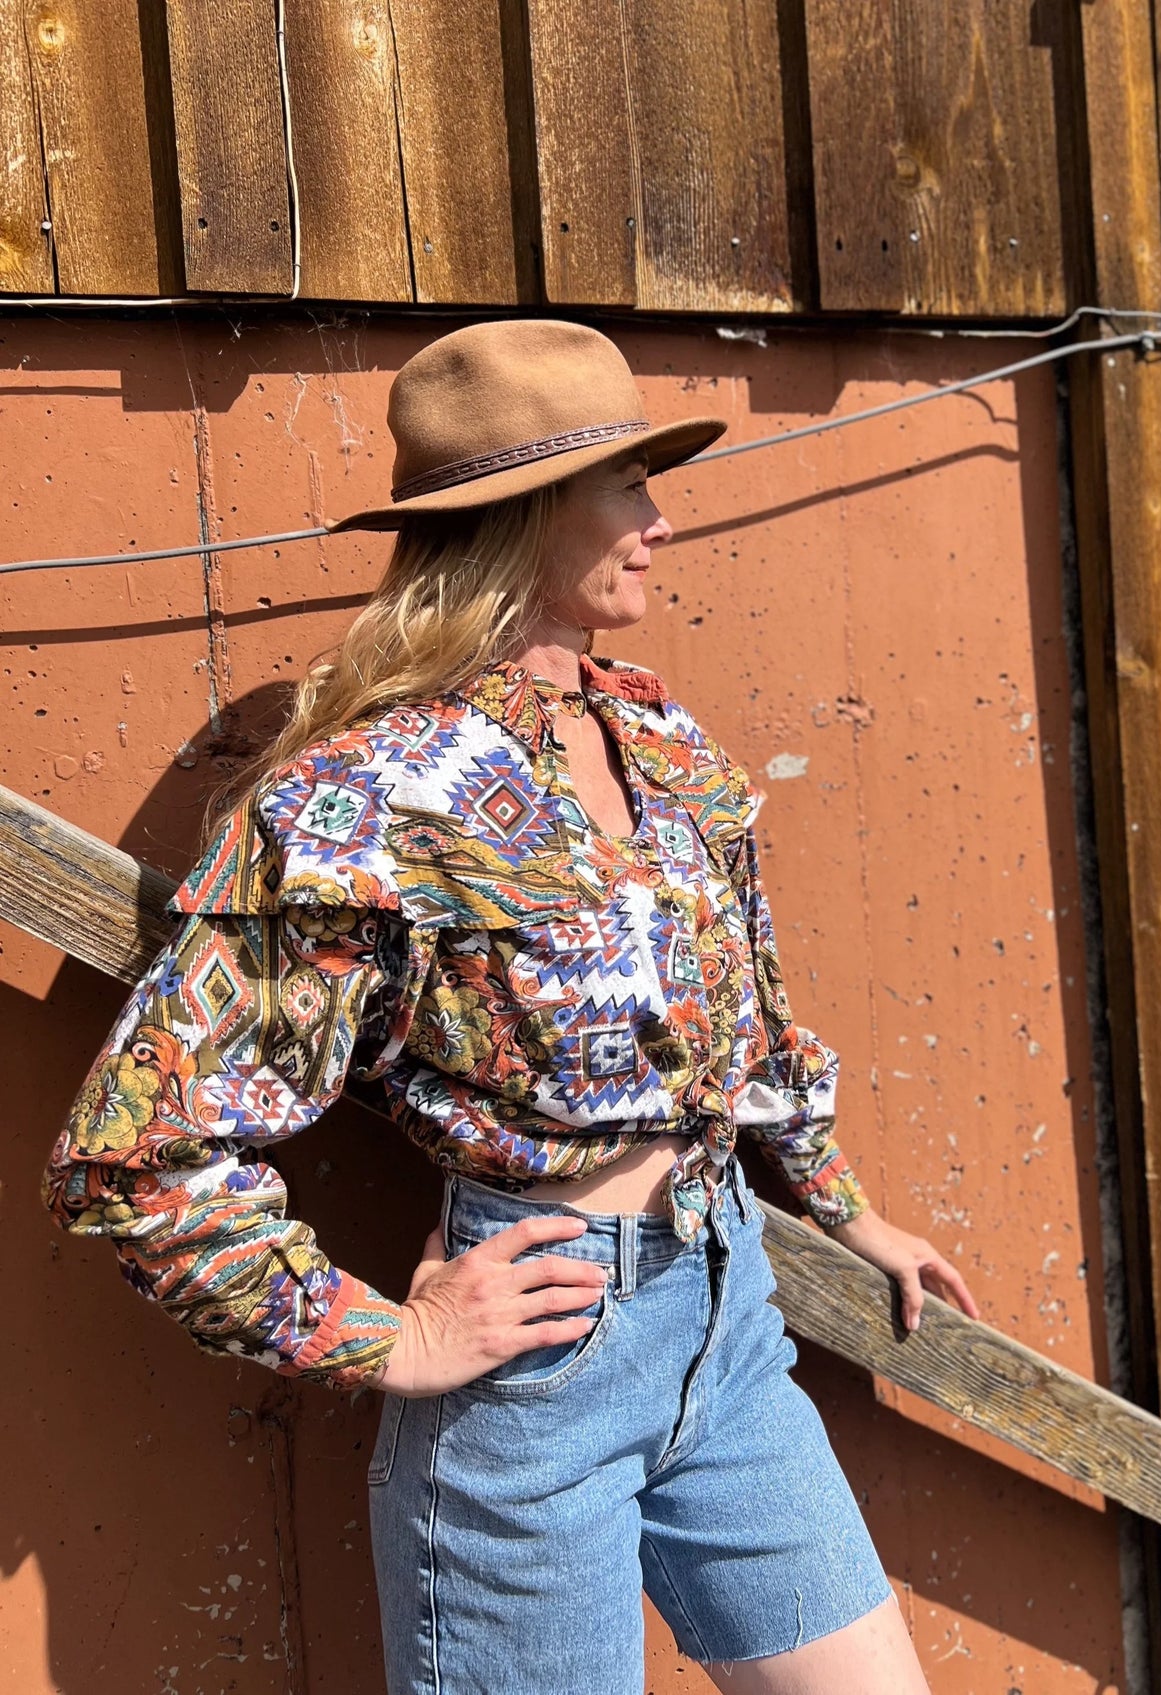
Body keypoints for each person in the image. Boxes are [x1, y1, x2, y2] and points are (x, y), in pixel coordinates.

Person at [43, 318, 979, 1694]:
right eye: (627, 487)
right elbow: (139, 1154)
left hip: (727, 1319)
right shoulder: (361, 799)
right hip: (537, 1371)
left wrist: (846, 1208)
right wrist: (388, 1336)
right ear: (523, 515)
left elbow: (752, 1022)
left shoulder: (661, 744)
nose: (659, 521)